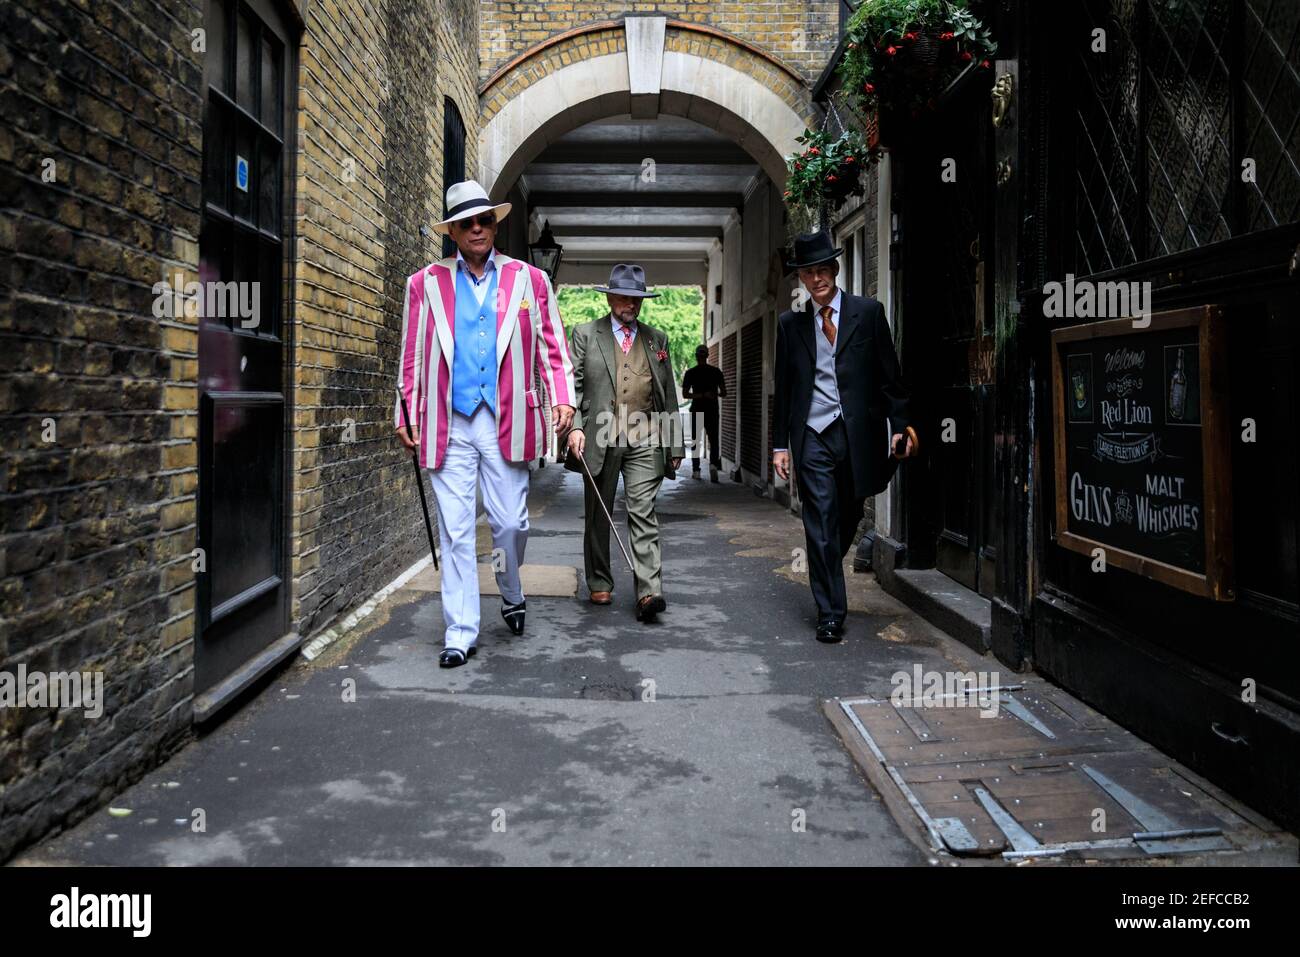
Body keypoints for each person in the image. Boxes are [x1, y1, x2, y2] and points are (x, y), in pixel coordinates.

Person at [395, 180, 575, 667]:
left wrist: (563, 399)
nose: (478, 229)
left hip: (506, 418)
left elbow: (552, 347)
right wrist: (404, 412)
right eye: (467, 223)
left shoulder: (528, 281)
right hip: (446, 422)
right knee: (455, 531)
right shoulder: (424, 283)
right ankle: (460, 630)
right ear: (452, 231)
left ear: (495, 225)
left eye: (485, 220)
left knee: (510, 523)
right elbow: (410, 355)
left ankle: (511, 589)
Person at [772, 230, 916, 644]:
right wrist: (780, 444)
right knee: (820, 518)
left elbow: (891, 378)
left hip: (858, 435)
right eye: (807, 273)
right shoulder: (790, 325)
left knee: (849, 514)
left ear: (834, 270)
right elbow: (784, 390)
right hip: (812, 434)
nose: (816, 279)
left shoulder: (868, 313)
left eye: (822, 270)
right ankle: (831, 612)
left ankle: (824, 565)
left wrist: (901, 425)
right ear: (801, 279)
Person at [565, 264, 685, 622]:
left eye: (636, 298)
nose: (629, 304)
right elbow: (575, 387)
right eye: (622, 296)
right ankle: (600, 580)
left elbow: (669, 393)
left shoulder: (657, 339)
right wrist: (574, 426)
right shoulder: (586, 334)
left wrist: (675, 443)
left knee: (642, 510)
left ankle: (649, 592)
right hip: (600, 434)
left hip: (646, 436)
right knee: (599, 514)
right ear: (610, 297)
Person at [681, 344, 726, 481]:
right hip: (712, 410)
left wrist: (700, 395)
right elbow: (724, 393)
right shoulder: (716, 372)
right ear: (707, 356)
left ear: (696, 356)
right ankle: (713, 465)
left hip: (697, 410)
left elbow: (685, 394)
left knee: (695, 441)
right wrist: (713, 394)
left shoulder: (691, 373)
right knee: (714, 440)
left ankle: (696, 471)